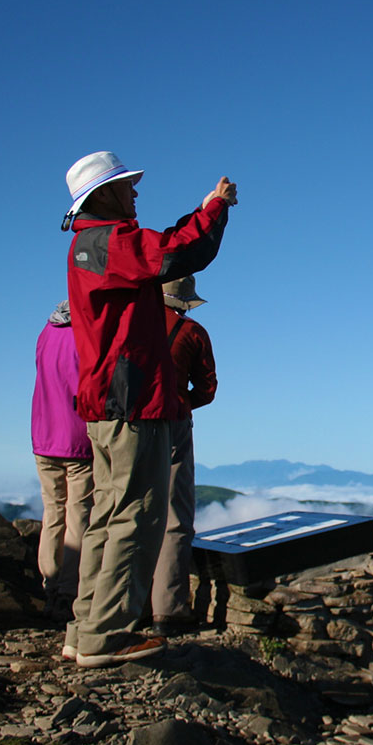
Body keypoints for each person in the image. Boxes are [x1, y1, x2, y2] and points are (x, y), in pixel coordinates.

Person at [61, 150, 236, 667]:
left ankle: (85, 625)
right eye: (126, 184)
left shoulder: (90, 247)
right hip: (134, 402)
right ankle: (106, 636)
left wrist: (199, 210)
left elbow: (161, 248)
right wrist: (217, 209)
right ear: (103, 194)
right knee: (137, 516)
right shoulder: (107, 243)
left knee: (107, 516)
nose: (135, 190)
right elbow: (179, 253)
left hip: (108, 403)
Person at [150, 275, 217, 637]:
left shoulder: (131, 321)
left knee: (129, 511)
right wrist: (180, 402)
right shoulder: (193, 332)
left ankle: (125, 603)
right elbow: (207, 387)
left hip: (128, 424)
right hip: (173, 423)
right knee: (175, 515)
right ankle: (168, 609)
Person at [31, 299, 94, 623]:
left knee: (53, 511)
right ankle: (69, 590)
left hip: (43, 434)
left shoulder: (45, 333)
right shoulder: (86, 334)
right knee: (78, 514)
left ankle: (49, 583)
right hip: (76, 436)